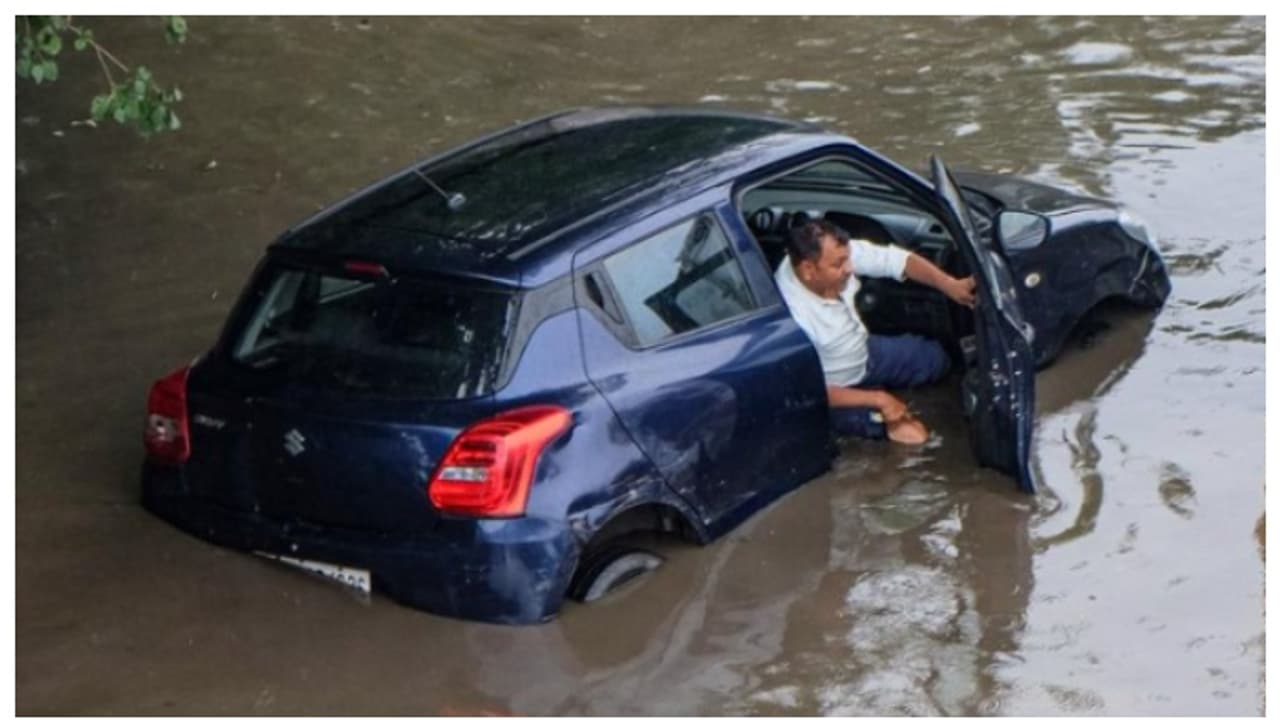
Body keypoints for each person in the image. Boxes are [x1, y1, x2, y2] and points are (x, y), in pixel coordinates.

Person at [775, 218, 976, 445]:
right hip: (834, 392)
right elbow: (807, 388)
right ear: (808, 269)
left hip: (864, 352)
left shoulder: (837, 254)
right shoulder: (791, 318)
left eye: (847, 259)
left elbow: (898, 260)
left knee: (937, 359)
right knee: (912, 435)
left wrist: (948, 284)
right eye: (838, 265)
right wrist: (878, 399)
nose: (849, 268)